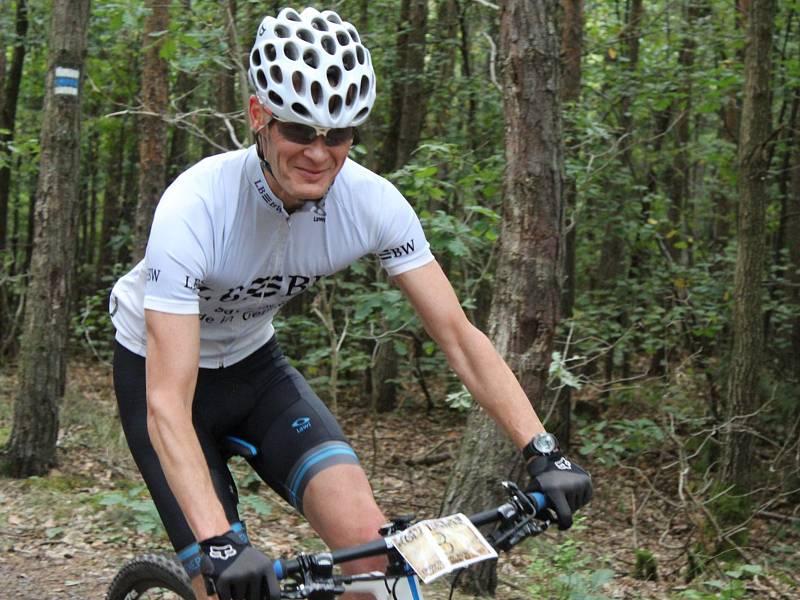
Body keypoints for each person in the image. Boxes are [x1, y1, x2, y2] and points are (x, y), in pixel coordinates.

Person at [109, 7, 592, 600]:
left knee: (382, 564)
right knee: (222, 582)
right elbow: (165, 402)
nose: (319, 152)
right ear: (261, 117)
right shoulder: (196, 207)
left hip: (257, 372)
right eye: (299, 131)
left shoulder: (372, 204)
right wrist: (220, 543)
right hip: (159, 379)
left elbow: (459, 337)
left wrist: (542, 449)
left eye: (336, 134)